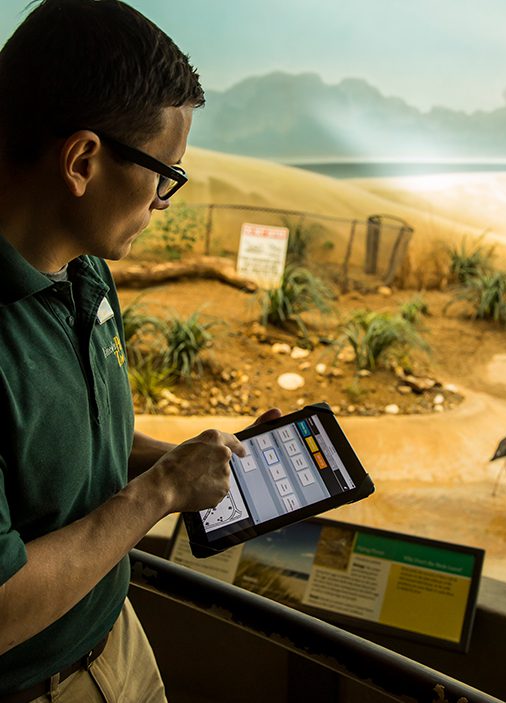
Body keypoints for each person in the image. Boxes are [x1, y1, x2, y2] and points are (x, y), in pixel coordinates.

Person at [0, 1, 280, 700]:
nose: (163, 202)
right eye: (165, 174)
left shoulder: (82, 268)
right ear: (83, 159)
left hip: (114, 633)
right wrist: (159, 491)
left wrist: (181, 460)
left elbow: (73, 442)